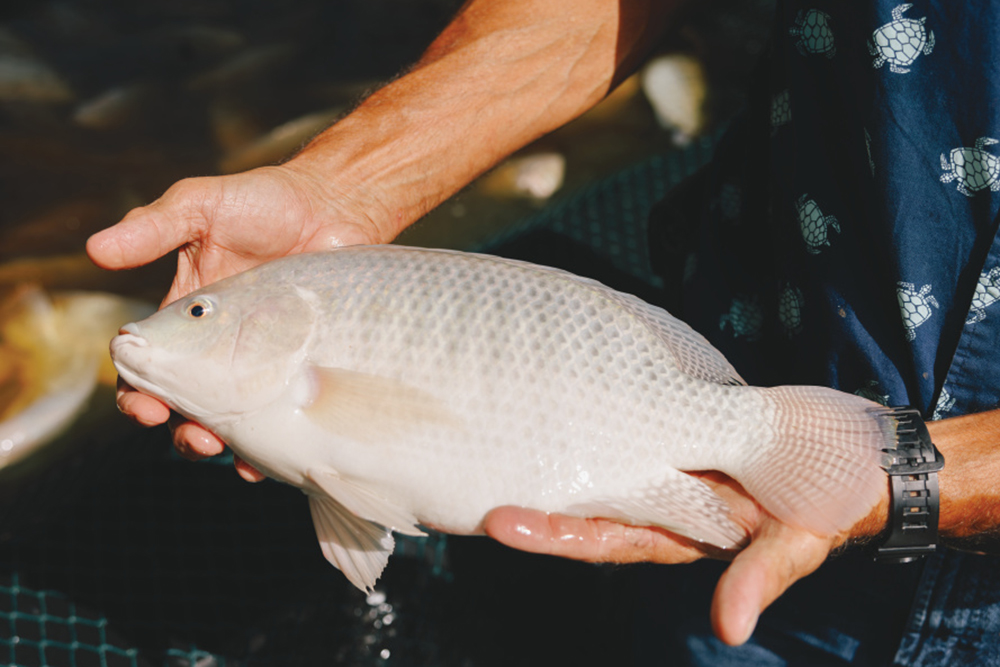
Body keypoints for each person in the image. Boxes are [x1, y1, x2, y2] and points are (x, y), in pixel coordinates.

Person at [88, 0, 1000, 662]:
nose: (173, 323)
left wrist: (905, 487)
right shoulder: (298, 309)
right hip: (745, 397)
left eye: (202, 312)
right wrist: (340, 188)